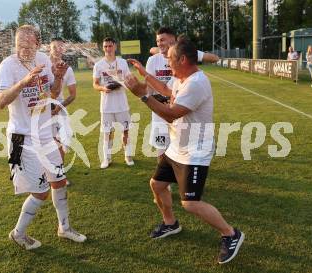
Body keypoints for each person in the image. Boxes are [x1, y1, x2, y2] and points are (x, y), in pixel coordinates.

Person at [125, 36, 244, 264]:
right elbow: (168, 92)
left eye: (169, 59)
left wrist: (142, 94)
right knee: (157, 185)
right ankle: (171, 224)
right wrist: (145, 75)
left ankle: (230, 234)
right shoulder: (181, 77)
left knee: (190, 203)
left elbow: (170, 113)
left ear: (181, 59)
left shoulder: (196, 83)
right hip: (177, 147)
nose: (167, 62)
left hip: (194, 151)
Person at [0, 25, 86, 250]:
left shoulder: (45, 59)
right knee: (40, 191)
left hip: (46, 134)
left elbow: (53, 93)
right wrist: (23, 82)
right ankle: (18, 233)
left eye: (28, 46)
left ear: (37, 44)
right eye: (19, 45)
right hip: (22, 138)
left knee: (59, 182)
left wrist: (57, 78)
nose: (23, 50)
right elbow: (0, 101)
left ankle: (64, 228)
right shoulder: (8, 65)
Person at [92, 37, 134, 169]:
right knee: (107, 132)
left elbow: (129, 79)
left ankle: (127, 155)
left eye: (110, 46)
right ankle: (107, 158)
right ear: (103, 48)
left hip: (121, 104)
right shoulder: (98, 65)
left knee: (125, 130)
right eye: (105, 47)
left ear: (115, 47)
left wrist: (123, 83)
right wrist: (103, 89)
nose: (108, 49)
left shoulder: (122, 62)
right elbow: (95, 84)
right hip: (106, 106)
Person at [50, 38, 77, 186]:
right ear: (49, 48)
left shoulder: (68, 69)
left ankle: (59, 174)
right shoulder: (42, 65)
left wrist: (60, 106)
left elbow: (73, 94)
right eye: (55, 47)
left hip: (58, 110)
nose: (58, 49)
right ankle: (45, 172)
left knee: (59, 143)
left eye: (61, 47)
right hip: (40, 110)